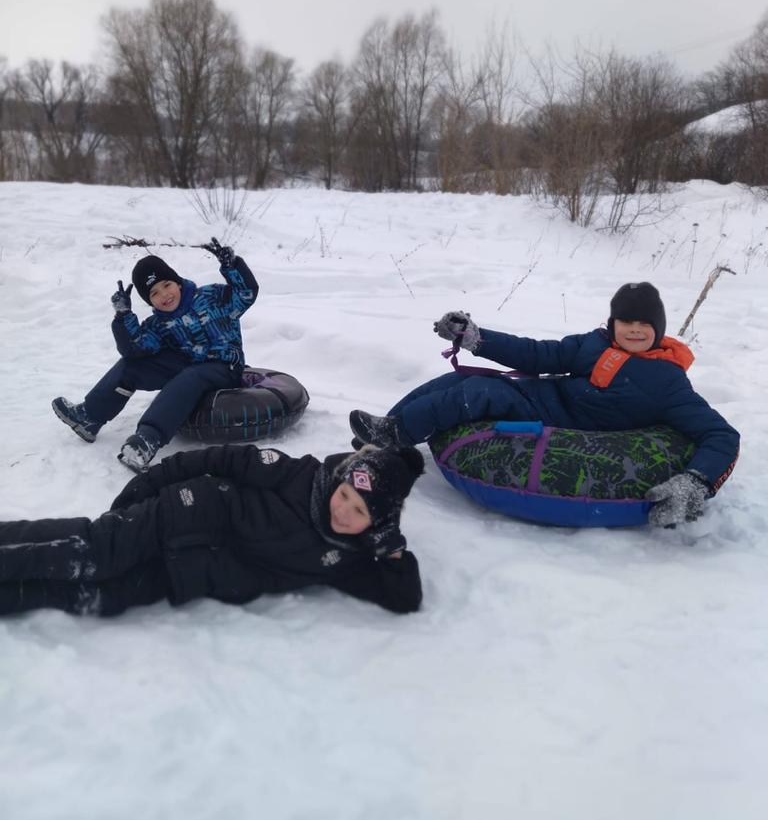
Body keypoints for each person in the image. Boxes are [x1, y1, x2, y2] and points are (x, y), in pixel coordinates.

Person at [350, 282, 740, 528]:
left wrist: (698, 481)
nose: (635, 330)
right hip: (543, 396)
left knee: (482, 395)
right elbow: (538, 354)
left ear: (659, 329)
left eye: (644, 324)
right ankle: (390, 427)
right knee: (461, 381)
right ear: (613, 322)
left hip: (566, 424)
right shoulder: (595, 343)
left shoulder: (667, 380)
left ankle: (396, 436)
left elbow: (720, 434)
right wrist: (478, 339)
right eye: (626, 321)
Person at [0, 442, 424, 618]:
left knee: (98, 597)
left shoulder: (346, 559)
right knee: (92, 554)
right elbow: (213, 460)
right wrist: (144, 487)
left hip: (188, 571)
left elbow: (404, 600)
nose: (344, 511)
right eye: (345, 495)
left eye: (361, 513)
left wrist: (390, 553)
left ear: (378, 523)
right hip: (184, 512)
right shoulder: (299, 475)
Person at [52, 238, 259, 473]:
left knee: (191, 376)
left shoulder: (213, 297)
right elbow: (135, 348)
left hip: (224, 367)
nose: (165, 295)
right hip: (188, 365)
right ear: (149, 300)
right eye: (154, 293)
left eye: (167, 284)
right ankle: (89, 417)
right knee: (132, 365)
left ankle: (148, 440)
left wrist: (232, 266)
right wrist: (123, 316)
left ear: (178, 282)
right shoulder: (158, 324)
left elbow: (245, 293)